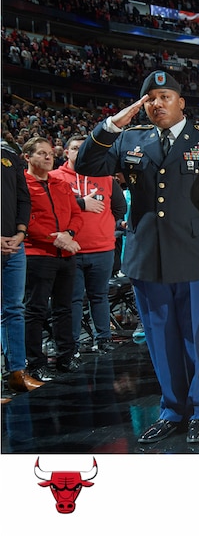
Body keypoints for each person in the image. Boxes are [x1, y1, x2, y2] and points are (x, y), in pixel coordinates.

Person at [76, 70, 199, 444]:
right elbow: (85, 165)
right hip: (147, 258)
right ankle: (172, 410)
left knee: (197, 339)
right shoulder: (129, 140)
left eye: (165, 96)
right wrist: (112, 126)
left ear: (181, 102)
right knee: (159, 341)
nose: (157, 104)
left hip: (196, 258)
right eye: (150, 98)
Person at [51, 135, 127, 354]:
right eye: (75, 148)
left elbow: (119, 209)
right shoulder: (55, 177)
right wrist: (81, 204)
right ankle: (71, 346)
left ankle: (103, 339)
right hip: (68, 250)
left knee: (99, 296)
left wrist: (105, 228)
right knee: (71, 300)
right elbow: (52, 207)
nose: (80, 152)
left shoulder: (106, 177)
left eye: (84, 148)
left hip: (102, 248)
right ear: (66, 152)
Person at [22, 137, 83, 382]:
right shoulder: (21, 185)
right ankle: (35, 363)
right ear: (27, 157)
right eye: (41, 154)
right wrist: (54, 238)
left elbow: (76, 214)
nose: (48, 157)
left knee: (63, 308)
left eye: (50, 154)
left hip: (66, 254)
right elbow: (25, 220)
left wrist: (68, 234)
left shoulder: (60, 184)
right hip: (37, 255)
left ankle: (65, 356)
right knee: (35, 310)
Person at [1, 140, 44, 394]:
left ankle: (17, 373)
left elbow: (23, 198)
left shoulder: (8, 153)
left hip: (14, 246)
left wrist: (20, 232)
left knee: (14, 309)